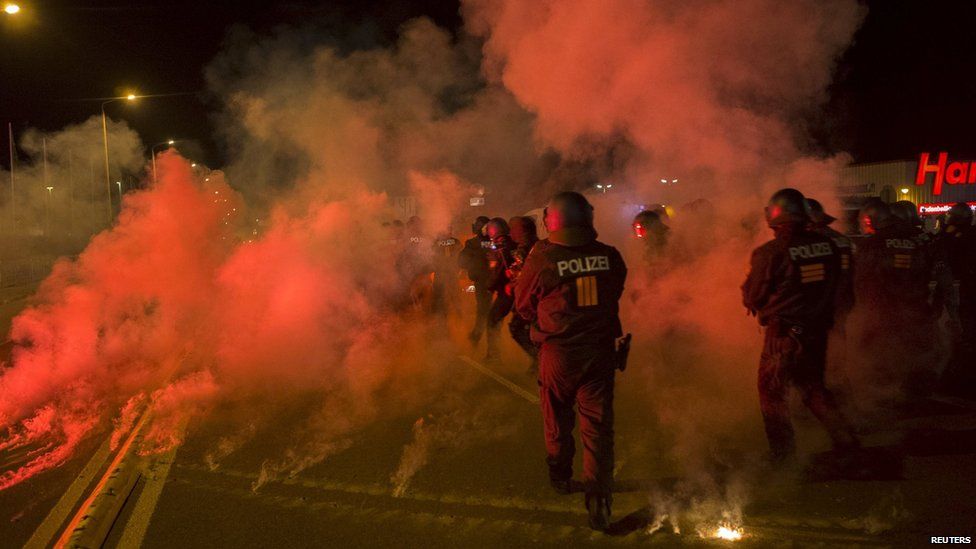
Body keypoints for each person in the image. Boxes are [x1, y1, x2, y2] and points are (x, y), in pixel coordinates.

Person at [514, 192, 627, 531]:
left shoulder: (543, 259)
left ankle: (561, 476)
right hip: (599, 352)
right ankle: (598, 501)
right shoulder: (609, 255)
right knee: (598, 429)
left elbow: (523, 306)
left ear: (553, 221)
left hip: (559, 354)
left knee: (557, 420)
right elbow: (616, 290)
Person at [742, 188, 859, 466]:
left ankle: (783, 457)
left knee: (772, 394)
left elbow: (753, 295)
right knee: (813, 389)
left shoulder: (770, 252)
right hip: (817, 330)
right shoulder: (829, 245)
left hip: (783, 336)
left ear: (775, 216)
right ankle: (847, 442)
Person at [855, 198, 936, 398]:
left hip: (883, 310)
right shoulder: (913, 241)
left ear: (869, 221)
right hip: (914, 307)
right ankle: (917, 394)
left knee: (880, 355)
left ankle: (884, 397)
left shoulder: (872, 245)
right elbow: (925, 273)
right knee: (911, 352)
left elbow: (861, 280)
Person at [935, 203, 976, 393]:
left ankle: (960, 375)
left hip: (961, 288)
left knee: (960, 330)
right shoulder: (970, 234)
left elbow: (945, 261)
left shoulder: (953, 236)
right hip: (966, 286)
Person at [507, 216, 540, 372]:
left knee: (517, 327)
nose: (510, 232)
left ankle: (539, 358)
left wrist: (514, 282)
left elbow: (522, 275)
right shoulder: (540, 245)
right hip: (538, 295)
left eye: (513, 229)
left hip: (530, 296)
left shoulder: (525, 249)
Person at [484, 217, 516, 362]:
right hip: (520, 290)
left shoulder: (500, 248)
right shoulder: (514, 243)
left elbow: (497, 272)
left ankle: (494, 354)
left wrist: (489, 287)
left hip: (507, 292)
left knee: (492, 320)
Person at [458, 216, 492, 343]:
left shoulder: (472, 243)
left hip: (483, 282)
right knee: (489, 312)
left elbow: (461, 261)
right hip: (498, 282)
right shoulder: (497, 241)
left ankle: (477, 337)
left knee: (484, 310)